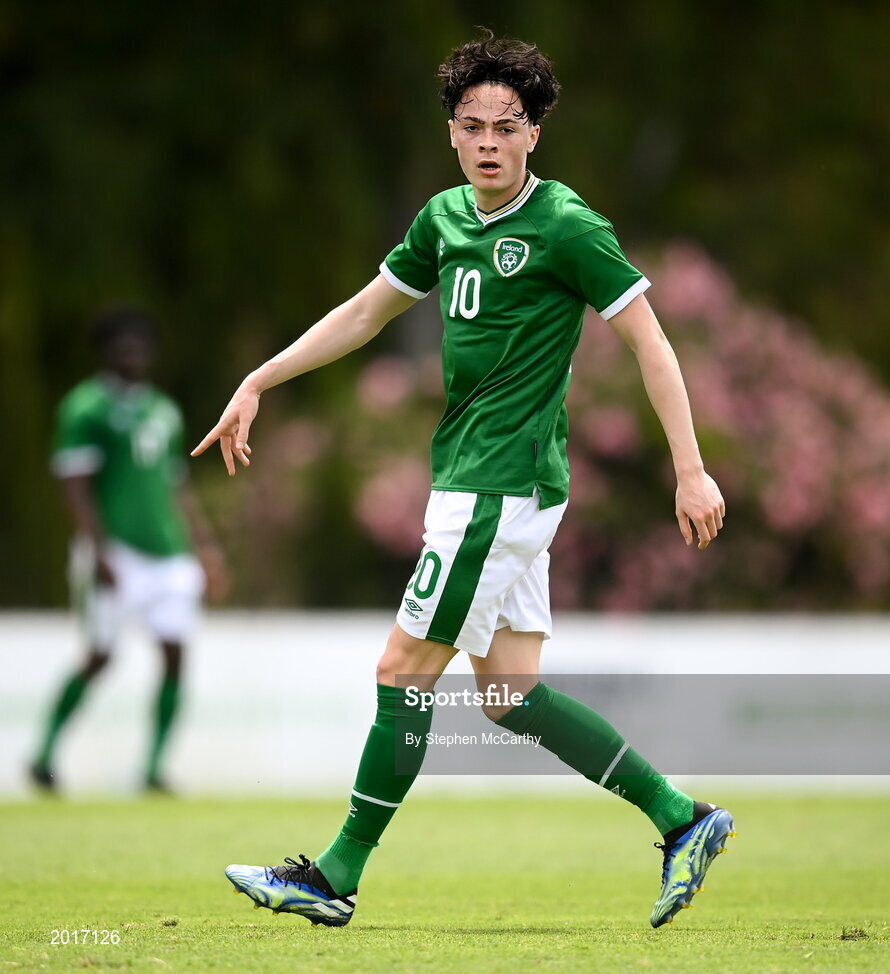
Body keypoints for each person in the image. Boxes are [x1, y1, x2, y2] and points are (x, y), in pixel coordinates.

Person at [194, 31, 733, 929]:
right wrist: (258, 380)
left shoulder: (565, 224)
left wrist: (691, 469)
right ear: (451, 133)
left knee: (403, 670)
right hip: (490, 483)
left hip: (499, 487)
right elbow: (369, 313)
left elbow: (650, 339)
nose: (488, 142)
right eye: (472, 125)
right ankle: (684, 819)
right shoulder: (442, 218)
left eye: (507, 127)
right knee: (507, 693)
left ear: (534, 135)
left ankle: (333, 876)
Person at [31, 308, 227, 794]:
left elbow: (176, 485)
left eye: (141, 345)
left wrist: (203, 547)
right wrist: (98, 551)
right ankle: (43, 756)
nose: (134, 353)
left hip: (167, 553)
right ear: (106, 351)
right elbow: (75, 485)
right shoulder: (86, 407)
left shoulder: (162, 410)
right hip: (116, 550)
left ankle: (154, 769)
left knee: (176, 653)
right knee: (99, 656)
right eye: (124, 345)